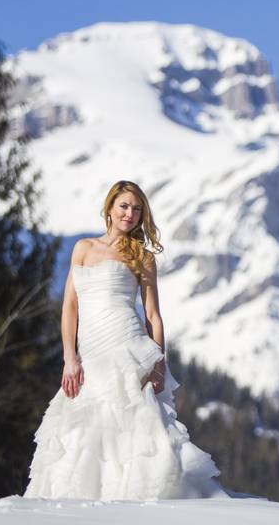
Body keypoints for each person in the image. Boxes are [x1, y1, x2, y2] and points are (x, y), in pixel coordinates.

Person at [23, 180, 224, 500]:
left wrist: (159, 364)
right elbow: (70, 306)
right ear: (110, 208)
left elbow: (153, 316)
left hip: (128, 346)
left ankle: (130, 505)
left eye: (136, 209)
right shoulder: (83, 248)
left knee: (134, 423)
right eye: (124, 206)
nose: (130, 214)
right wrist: (69, 357)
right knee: (82, 429)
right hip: (89, 352)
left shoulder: (142, 256)